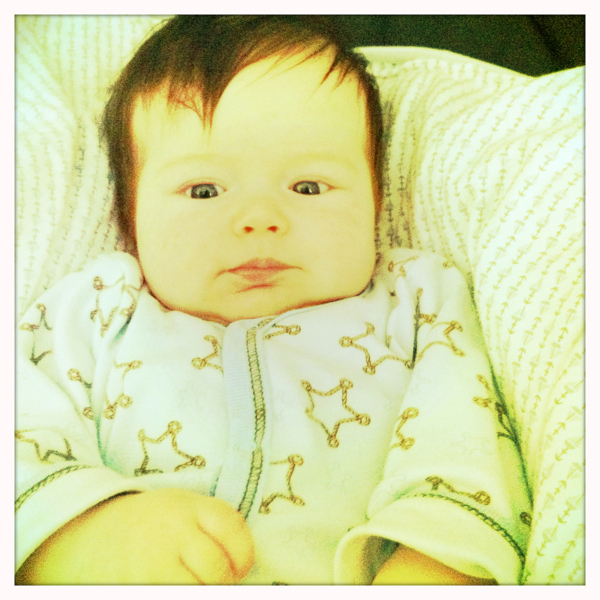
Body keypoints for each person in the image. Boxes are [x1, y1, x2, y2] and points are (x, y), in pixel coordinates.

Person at [15, 16, 531, 585]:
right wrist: (79, 529)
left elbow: (463, 433)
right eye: (204, 190)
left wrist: (434, 561)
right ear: (130, 216)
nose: (260, 218)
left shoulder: (417, 299)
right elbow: (20, 417)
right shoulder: (99, 305)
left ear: (376, 203)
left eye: (308, 187)